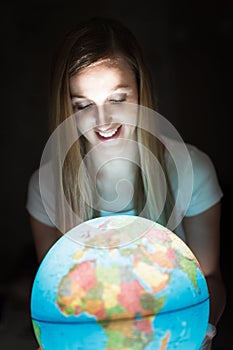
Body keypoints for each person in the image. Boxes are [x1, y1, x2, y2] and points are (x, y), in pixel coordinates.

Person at [26, 17, 226, 349]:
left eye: (117, 99)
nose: (103, 121)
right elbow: (56, 298)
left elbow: (210, 280)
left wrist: (202, 332)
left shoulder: (193, 170)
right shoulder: (46, 186)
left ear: (140, 89)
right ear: (67, 108)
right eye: (84, 105)